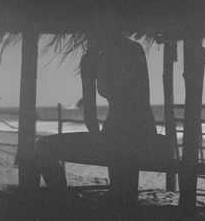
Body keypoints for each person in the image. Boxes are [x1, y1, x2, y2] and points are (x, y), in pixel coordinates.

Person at [34, 28, 159, 216]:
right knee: (43, 146)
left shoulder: (128, 51)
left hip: (137, 131)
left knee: (121, 188)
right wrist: (98, 139)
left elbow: (139, 100)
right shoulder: (95, 59)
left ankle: (63, 205)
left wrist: (101, 138)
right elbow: (91, 115)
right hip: (120, 131)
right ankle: (62, 204)